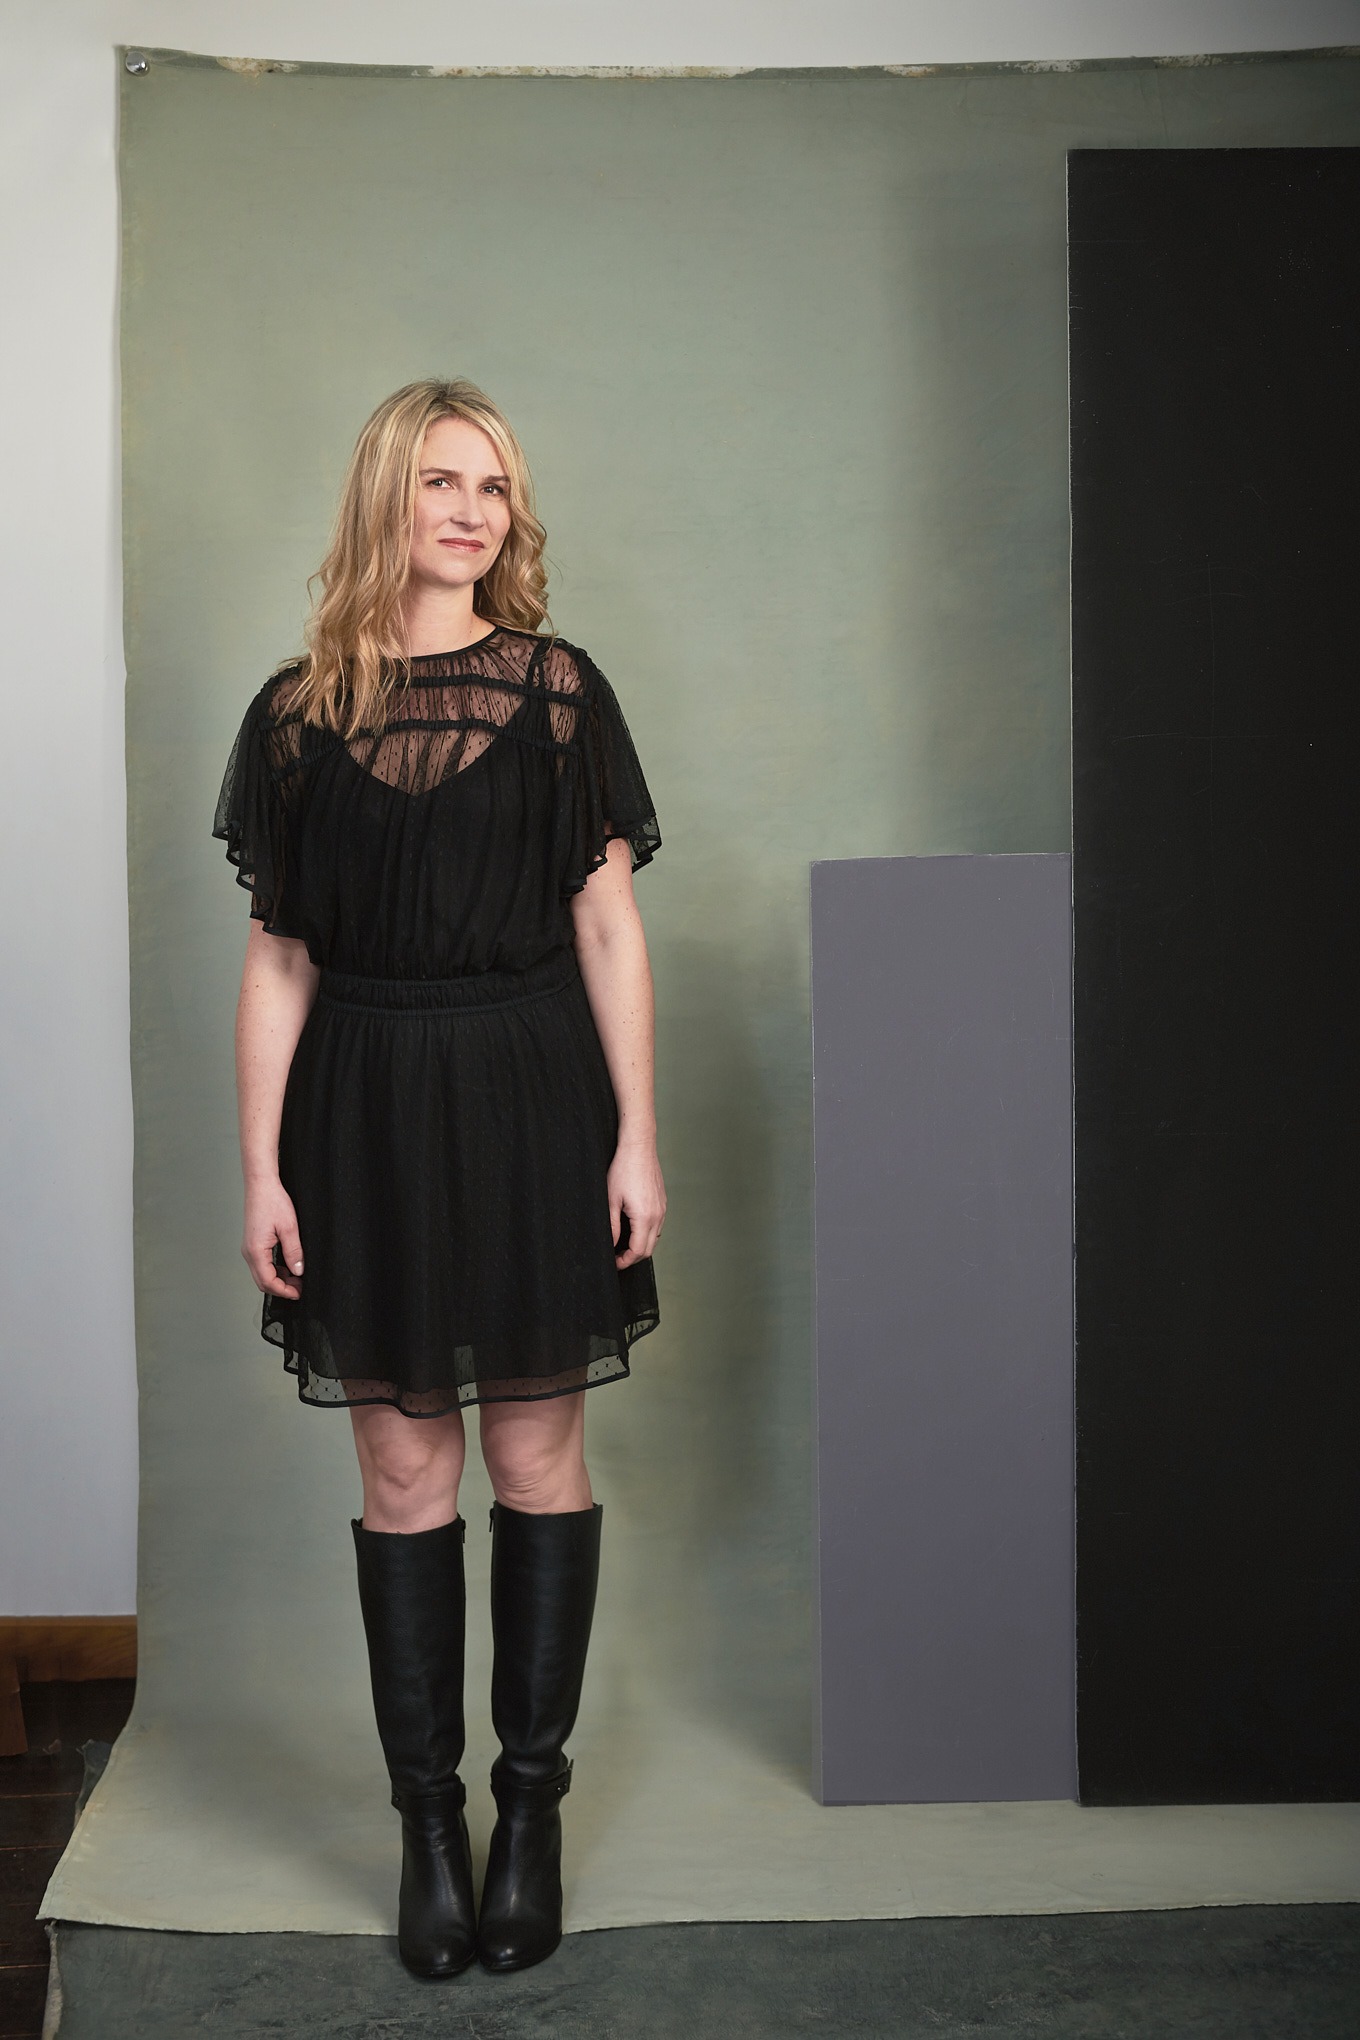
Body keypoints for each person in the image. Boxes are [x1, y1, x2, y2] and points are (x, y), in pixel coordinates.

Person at [210, 378, 666, 1979]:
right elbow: (280, 961)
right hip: (364, 1113)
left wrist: (638, 1131)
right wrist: (260, 1170)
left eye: (495, 488)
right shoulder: (293, 718)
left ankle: (528, 1817)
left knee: (538, 1458)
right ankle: (429, 1830)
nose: (473, 512)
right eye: (440, 483)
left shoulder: (559, 692)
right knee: (404, 1477)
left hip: (534, 1095)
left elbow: (608, 925)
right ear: (384, 502)